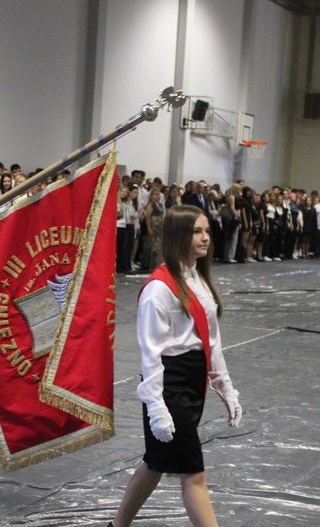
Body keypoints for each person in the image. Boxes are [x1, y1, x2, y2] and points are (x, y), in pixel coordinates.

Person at [111, 205, 242, 527]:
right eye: (197, 231)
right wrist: (156, 407)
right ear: (178, 235)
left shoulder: (197, 277)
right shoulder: (159, 289)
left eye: (207, 231)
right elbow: (150, 353)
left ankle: (117, 526)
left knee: (155, 464)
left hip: (193, 379)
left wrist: (225, 387)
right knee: (193, 474)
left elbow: (211, 339)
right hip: (170, 385)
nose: (205, 238)